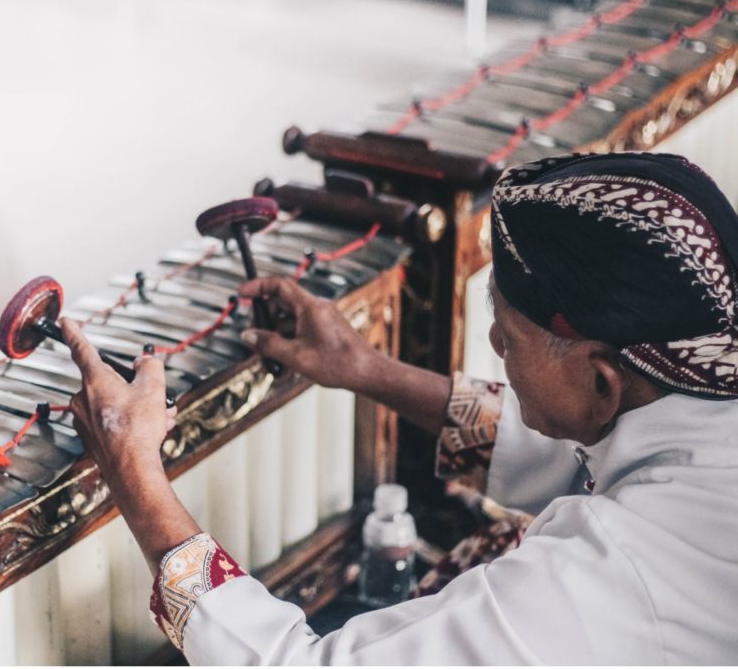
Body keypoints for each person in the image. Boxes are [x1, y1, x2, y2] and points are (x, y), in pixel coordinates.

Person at [61, 152, 738, 664]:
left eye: (506, 325)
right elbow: (572, 459)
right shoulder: (699, 393)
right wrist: (367, 369)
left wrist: (136, 474)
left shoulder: (601, 581)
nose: (495, 340)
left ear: (602, 380)